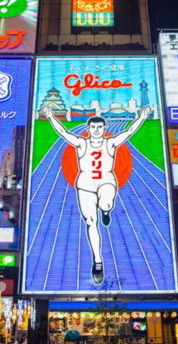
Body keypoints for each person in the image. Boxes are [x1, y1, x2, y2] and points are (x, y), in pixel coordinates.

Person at [42, 104, 151, 284]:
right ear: (88, 129)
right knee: (91, 222)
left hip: (106, 182)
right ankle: (98, 261)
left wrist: (142, 117)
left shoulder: (111, 142)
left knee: (106, 204)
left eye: (100, 127)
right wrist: (51, 116)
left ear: (104, 128)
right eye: (93, 127)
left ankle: (106, 210)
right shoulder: (81, 143)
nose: (97, 130)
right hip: (85, 185)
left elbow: (130, 131)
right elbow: (63, 133)